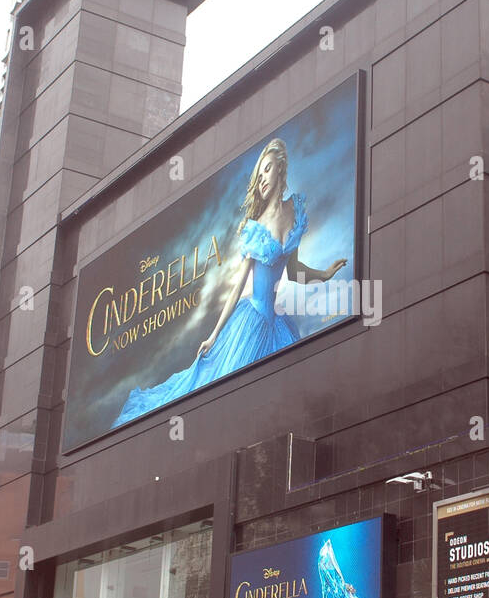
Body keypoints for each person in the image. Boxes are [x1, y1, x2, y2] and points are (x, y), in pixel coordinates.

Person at [114, 138, 347, 425]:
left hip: (276, 324)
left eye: (268, 169)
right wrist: (213, 335)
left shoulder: (294, 210)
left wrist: (325, 274)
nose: (262, 178)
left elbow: (295, 270)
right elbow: (237, 289)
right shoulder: (256, 228)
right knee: (236, 404)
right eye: (259, 173)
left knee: (279, 400)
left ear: (281, 170)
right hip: (250, 323)